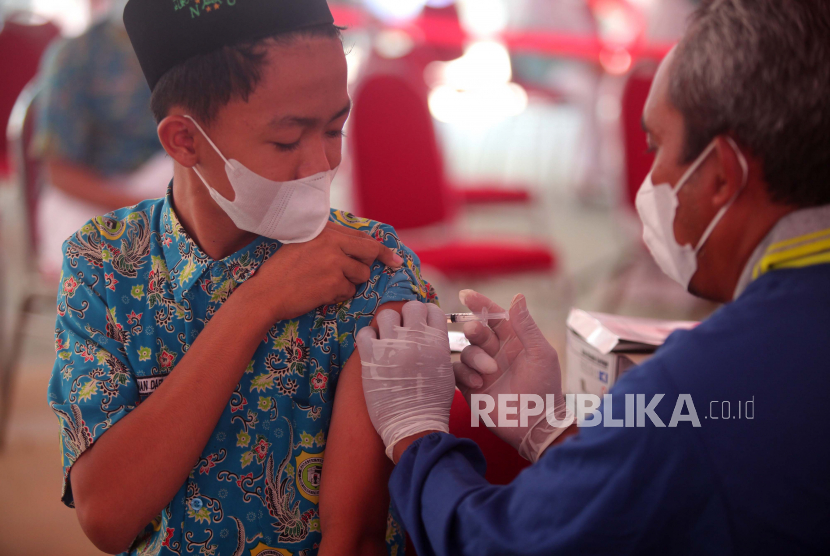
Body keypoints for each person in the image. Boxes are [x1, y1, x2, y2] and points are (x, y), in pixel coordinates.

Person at [357, 0, 830, 554]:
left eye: (656, 147)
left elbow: (502, 542)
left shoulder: (701, 390)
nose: (649, 181)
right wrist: (552, 431)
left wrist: (415, 436)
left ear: (723, 176)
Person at [46, 0, 437, 554]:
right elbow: (108, 516)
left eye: (336, 127)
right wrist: (257, 304)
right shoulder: (105, 264)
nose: (320, 165)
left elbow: (355, 535)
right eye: (285, 141)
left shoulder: (367, 262)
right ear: (184, 140)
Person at [33, 0, 172, 276]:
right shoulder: (76, 53)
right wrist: (145, 208)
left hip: (168, 187)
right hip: (92, 198)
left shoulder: (189, 46)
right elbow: (57, 171)